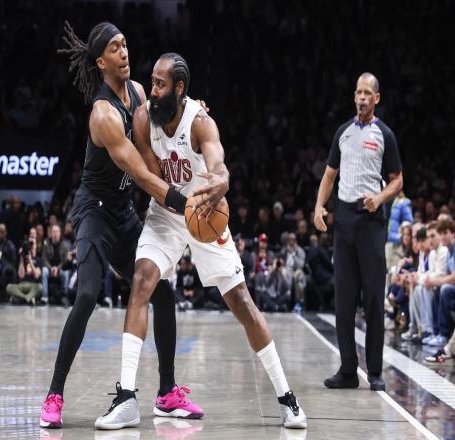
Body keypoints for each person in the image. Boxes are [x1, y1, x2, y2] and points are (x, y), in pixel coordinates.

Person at [95, 53, 307, 430]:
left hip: (205, 213)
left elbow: (218, 161)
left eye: (161, 84)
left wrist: (222, 179)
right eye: (152, 82)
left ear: (179, 89)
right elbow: (152, 177)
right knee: (142, 281)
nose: (153, 90)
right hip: (167, 211)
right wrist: (178, 202)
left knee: (241, 302)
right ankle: (126, 398)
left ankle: (287, 398)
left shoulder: (200, 122)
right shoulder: (143, 119)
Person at [40, 22, 205, 429]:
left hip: (123, 210)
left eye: (125, 44)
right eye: (115, 48)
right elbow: (142, 172)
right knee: (87, 294)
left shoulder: (138, 94)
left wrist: (193, 114)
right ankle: (54, 395)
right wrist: (184, 203)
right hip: (94, 212)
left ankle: (166, 393)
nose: (124, 52)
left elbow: (161, 135)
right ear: (101, 62)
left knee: (162, 293)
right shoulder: (103, 114)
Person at [314, 73, 403, 391]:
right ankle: (348, 370)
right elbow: (329, 175)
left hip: (371, 220)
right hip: (344, 218)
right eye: (358, 92)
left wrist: (379, 198)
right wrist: (318, 206)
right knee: (344, 298)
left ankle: (375, 371)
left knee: (374, 297)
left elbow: (397, 180)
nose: (362, 98)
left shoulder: (385, 134)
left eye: (368, 93)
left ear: (376, 98)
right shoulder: (343, 132)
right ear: (354, 97)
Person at [6, 237, 43, 305]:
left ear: (36, 246)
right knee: (9, 287)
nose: (31, 246)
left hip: (33, 286)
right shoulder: (22, 258)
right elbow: (21, 276)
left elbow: (36, 276)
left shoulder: (38, 260)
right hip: (21, 285)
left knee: (40, 287)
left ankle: (21, 299)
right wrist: (21, 257)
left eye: (33, 244)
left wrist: (30, 261)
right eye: (30, 244)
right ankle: (27, 298)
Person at [41, 224, 70, 305]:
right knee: (44, 271)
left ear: (60, 233)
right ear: (51, 233)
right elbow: (44, 259)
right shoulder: (46, 244)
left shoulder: (64, 246)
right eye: (53, 232)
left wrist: (58, 268)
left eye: (57, 232)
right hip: (50, 269)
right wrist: (51, 268)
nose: (55, 234)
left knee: (66, 272)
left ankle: (65, 295)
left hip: (60, 269)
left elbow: (65, 261)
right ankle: (45, 297)